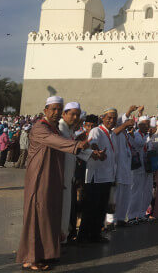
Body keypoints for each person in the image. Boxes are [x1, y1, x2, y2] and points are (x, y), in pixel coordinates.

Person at [16, 96, 91, 271]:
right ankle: (30, 258)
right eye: (54, 109)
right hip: (39, 180)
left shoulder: (55, 129)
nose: (57, 113)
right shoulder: (40, 128)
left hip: (52, 179)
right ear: (46, 110)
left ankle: (42, 255)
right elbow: (56, 142)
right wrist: (78, 144)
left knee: (47, 219)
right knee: (36, 218)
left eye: (59, 109)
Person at [78, 108, 122, 244]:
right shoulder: (97, 130)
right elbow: (91, 143)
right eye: (109, 117)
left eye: (114, 118)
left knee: (101, 208)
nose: (111, 120)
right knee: (91, 208)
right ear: (102, 118)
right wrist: (96, 150)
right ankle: (83, 237)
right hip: (95, 177)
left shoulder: (113, 135)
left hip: (107, 176)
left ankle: (96, 234)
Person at [58, 103, 95, 244]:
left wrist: (92, 153)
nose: (76, 118)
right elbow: (70, 147)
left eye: (78, 116)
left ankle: (64, 238)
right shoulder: (60, 129)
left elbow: (76, 149)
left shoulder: (69, 130)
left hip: (69, 177)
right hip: (61, 177)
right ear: (64, 114)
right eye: (72, 114)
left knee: (67, 210)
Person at [128, 115, 154, 223]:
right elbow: (140, 144)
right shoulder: (135, 134)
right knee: (136, 191)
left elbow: (150, 147)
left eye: (148, 123)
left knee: (147, 191)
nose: (147, 126)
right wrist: (149, 137)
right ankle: (131, 215)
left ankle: (142, 213)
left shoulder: (147, 135)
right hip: (138, 167)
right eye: (144, 123)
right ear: (139, 124)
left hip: (147, 167)